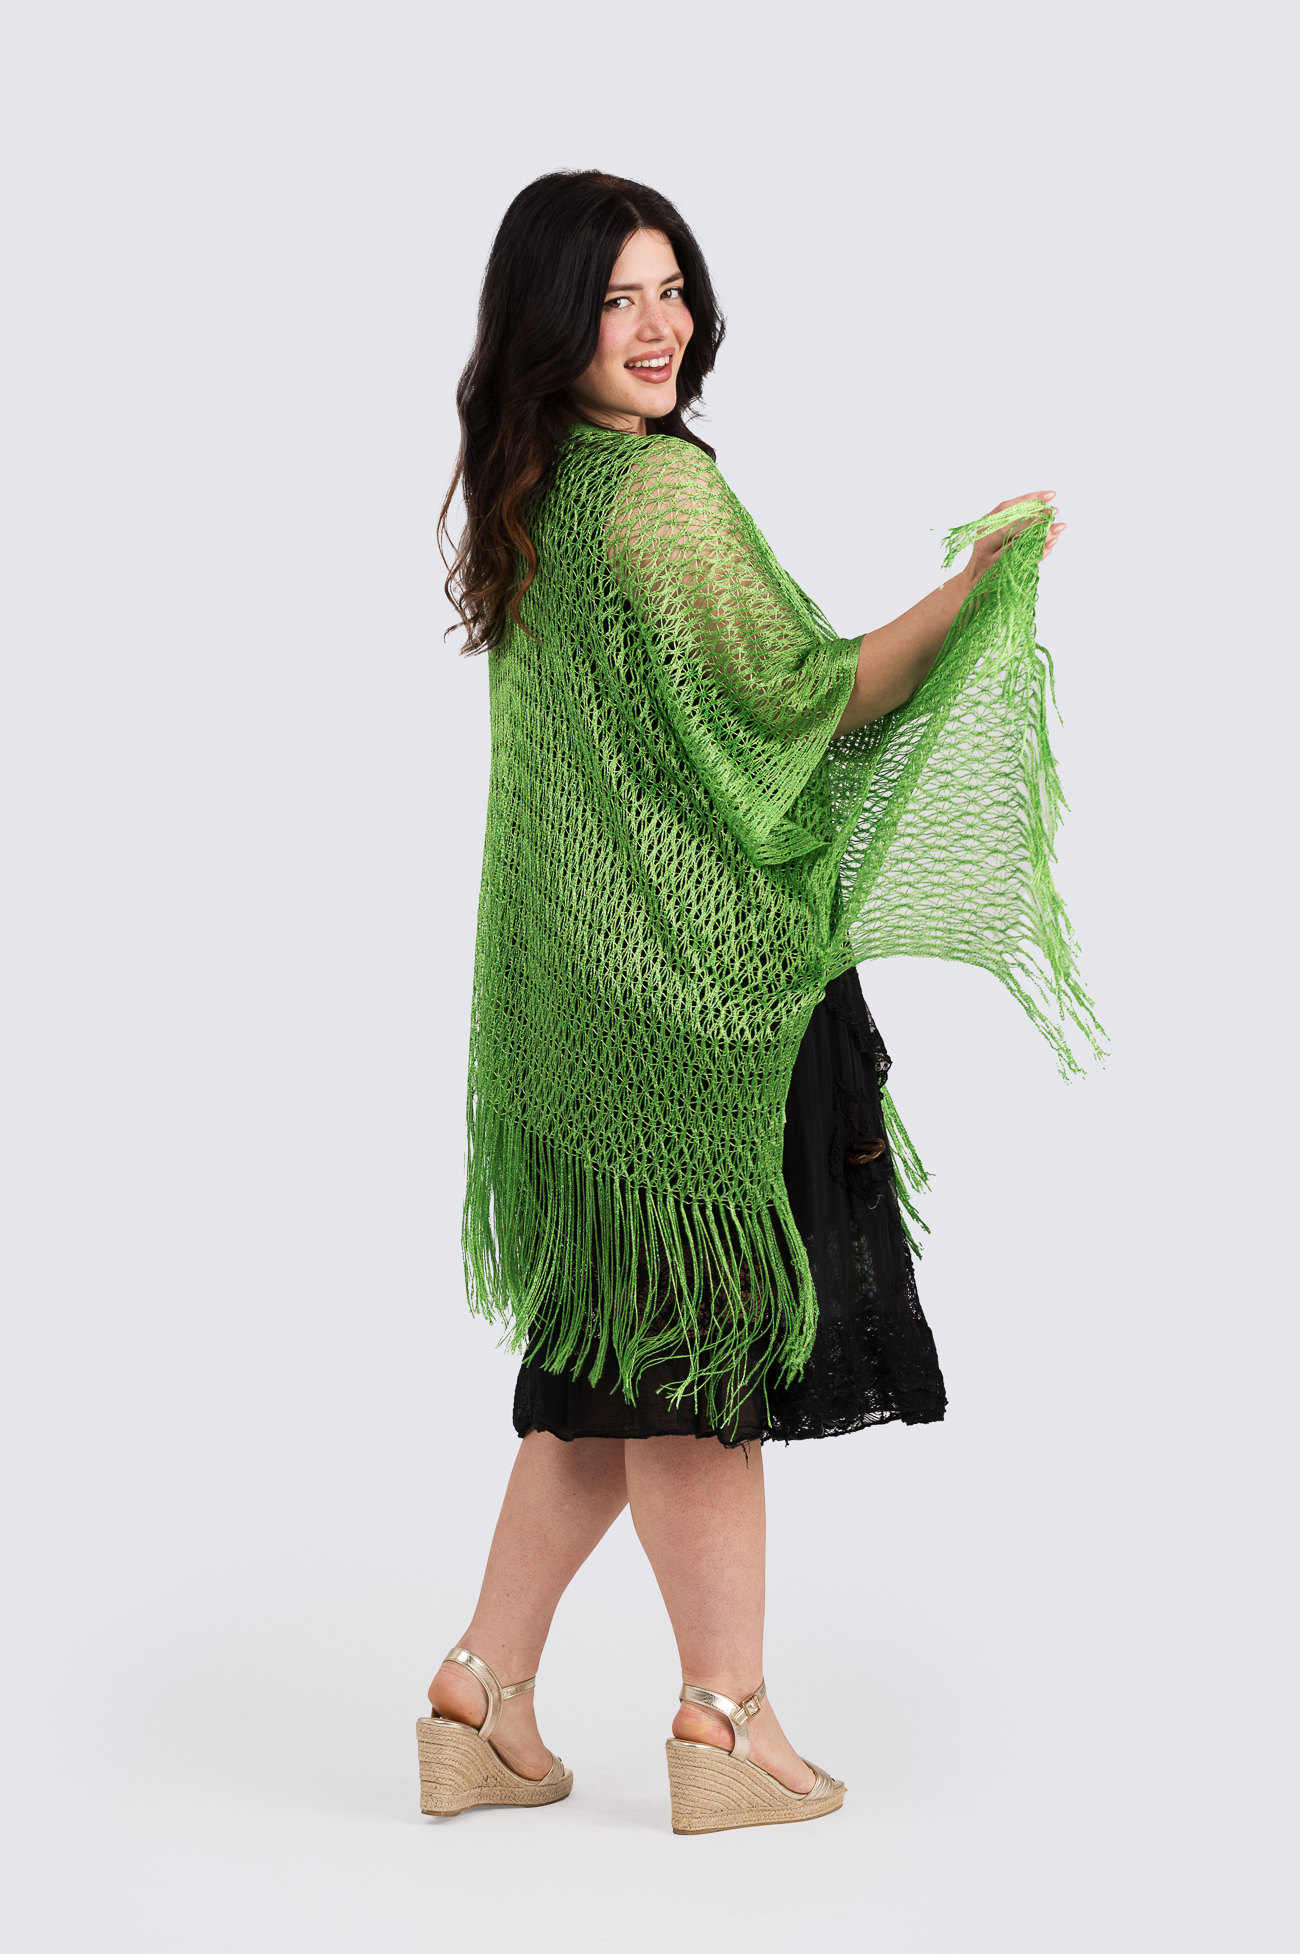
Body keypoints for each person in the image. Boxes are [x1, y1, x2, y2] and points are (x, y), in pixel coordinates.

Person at [417, 171, 1089, 1835]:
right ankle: (725, 1721)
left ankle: (482, 1691)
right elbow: (809, 703)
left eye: (673, 290)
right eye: (619, 299)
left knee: (606, 1366)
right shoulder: (656, 499)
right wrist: (981, 582)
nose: (661, 327)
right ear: (554, 321)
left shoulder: (533, 493)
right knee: (699, 1376)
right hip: (704, 1016)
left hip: (583, 1020)